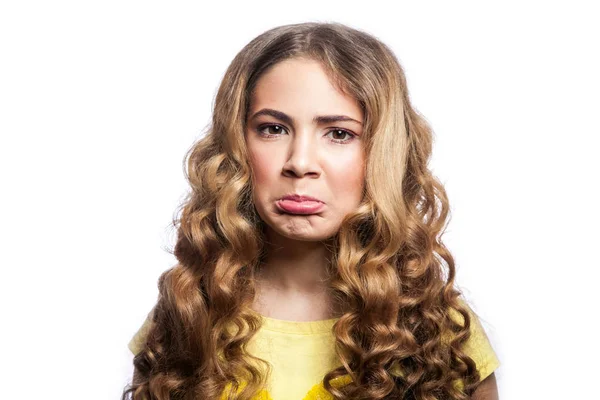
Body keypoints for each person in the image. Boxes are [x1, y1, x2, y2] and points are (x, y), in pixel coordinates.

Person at [122, 22, 500, 400]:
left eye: (339, 133)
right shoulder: (188, 311)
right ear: (238, 144)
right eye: (272, 128)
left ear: (384, 152)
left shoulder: (436, 328)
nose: (300, 162)